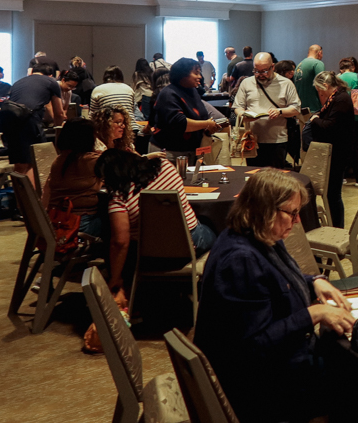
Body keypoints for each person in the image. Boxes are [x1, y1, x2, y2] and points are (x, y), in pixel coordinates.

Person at [194, 169, 355, 422]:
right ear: (265, 209)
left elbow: (275, 284)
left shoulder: (259, 234)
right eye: (292, 213)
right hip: (261, 388)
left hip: (278, 364)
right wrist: (314, 313)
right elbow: (254, 346)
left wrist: (314, 282)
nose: (298, 221)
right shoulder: (240, 260)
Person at [96, 149, 214, 295]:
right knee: (210, 223)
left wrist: (115, 278)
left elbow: (120, 242)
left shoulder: (119, 199)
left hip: (149, 255)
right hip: (189, 245)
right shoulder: (165, 167)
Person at [0, 63, 65, 186]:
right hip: (27, 120)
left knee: (19, 162)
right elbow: (59, 113)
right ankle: (30, 199)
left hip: (7, 119)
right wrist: (59, 130)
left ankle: (19, 197)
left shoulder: (19, 82)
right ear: (51, 75)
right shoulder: (51, 82)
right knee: (34, 161)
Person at [233, 53, 300, 169]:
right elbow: (237, 107)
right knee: (254, 177)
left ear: (272, 67)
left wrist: (280, 111)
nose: (260, 75)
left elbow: (296, 108)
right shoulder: (247, 83)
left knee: (275, 179)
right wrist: (243, 114)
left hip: (277, 140)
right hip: (252, 140)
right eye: (256, 71)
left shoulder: (286, 84)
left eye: (264, 71)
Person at [40, 119, 106, 237]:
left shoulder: (59, 159)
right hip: (78, 224)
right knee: (121, 223)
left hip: (56, 220)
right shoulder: (90, 160)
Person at [150, 58, 222, 163]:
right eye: (196, 73)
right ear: (182, 75)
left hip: (192, 151)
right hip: (169, 152)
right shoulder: (168, 94)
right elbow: (180, 123)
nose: (200, 77)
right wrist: (206, 124)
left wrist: (208, 127)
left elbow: (202, 116)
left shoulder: (193, 92)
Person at [308, 70, 354, 227]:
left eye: (319, 89)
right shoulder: (336, 97)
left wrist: (315, 120)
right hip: (334, 151)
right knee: (331, 194)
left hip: (338, 152)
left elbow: (330, 126)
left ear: (326, 86)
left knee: (333, 195)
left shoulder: (341, 100)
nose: (319, 93)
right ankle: (336, 226)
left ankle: (338, 228)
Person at [338, 57, 358, 187]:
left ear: (341, 68)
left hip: (343, 116)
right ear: (352, 67)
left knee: (343, 147)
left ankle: (342, 177)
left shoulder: (337, 78)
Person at [274, 60, 300, 165]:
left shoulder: (288, 83)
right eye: (291, 71)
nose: (293, 73)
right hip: (283, 118)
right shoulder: (285, 84)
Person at [294, 44, 324, 113]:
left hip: (300, 109)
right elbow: (322, 86)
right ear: (319, 53)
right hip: (314, 108)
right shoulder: (317, 63)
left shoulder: (299, 65)